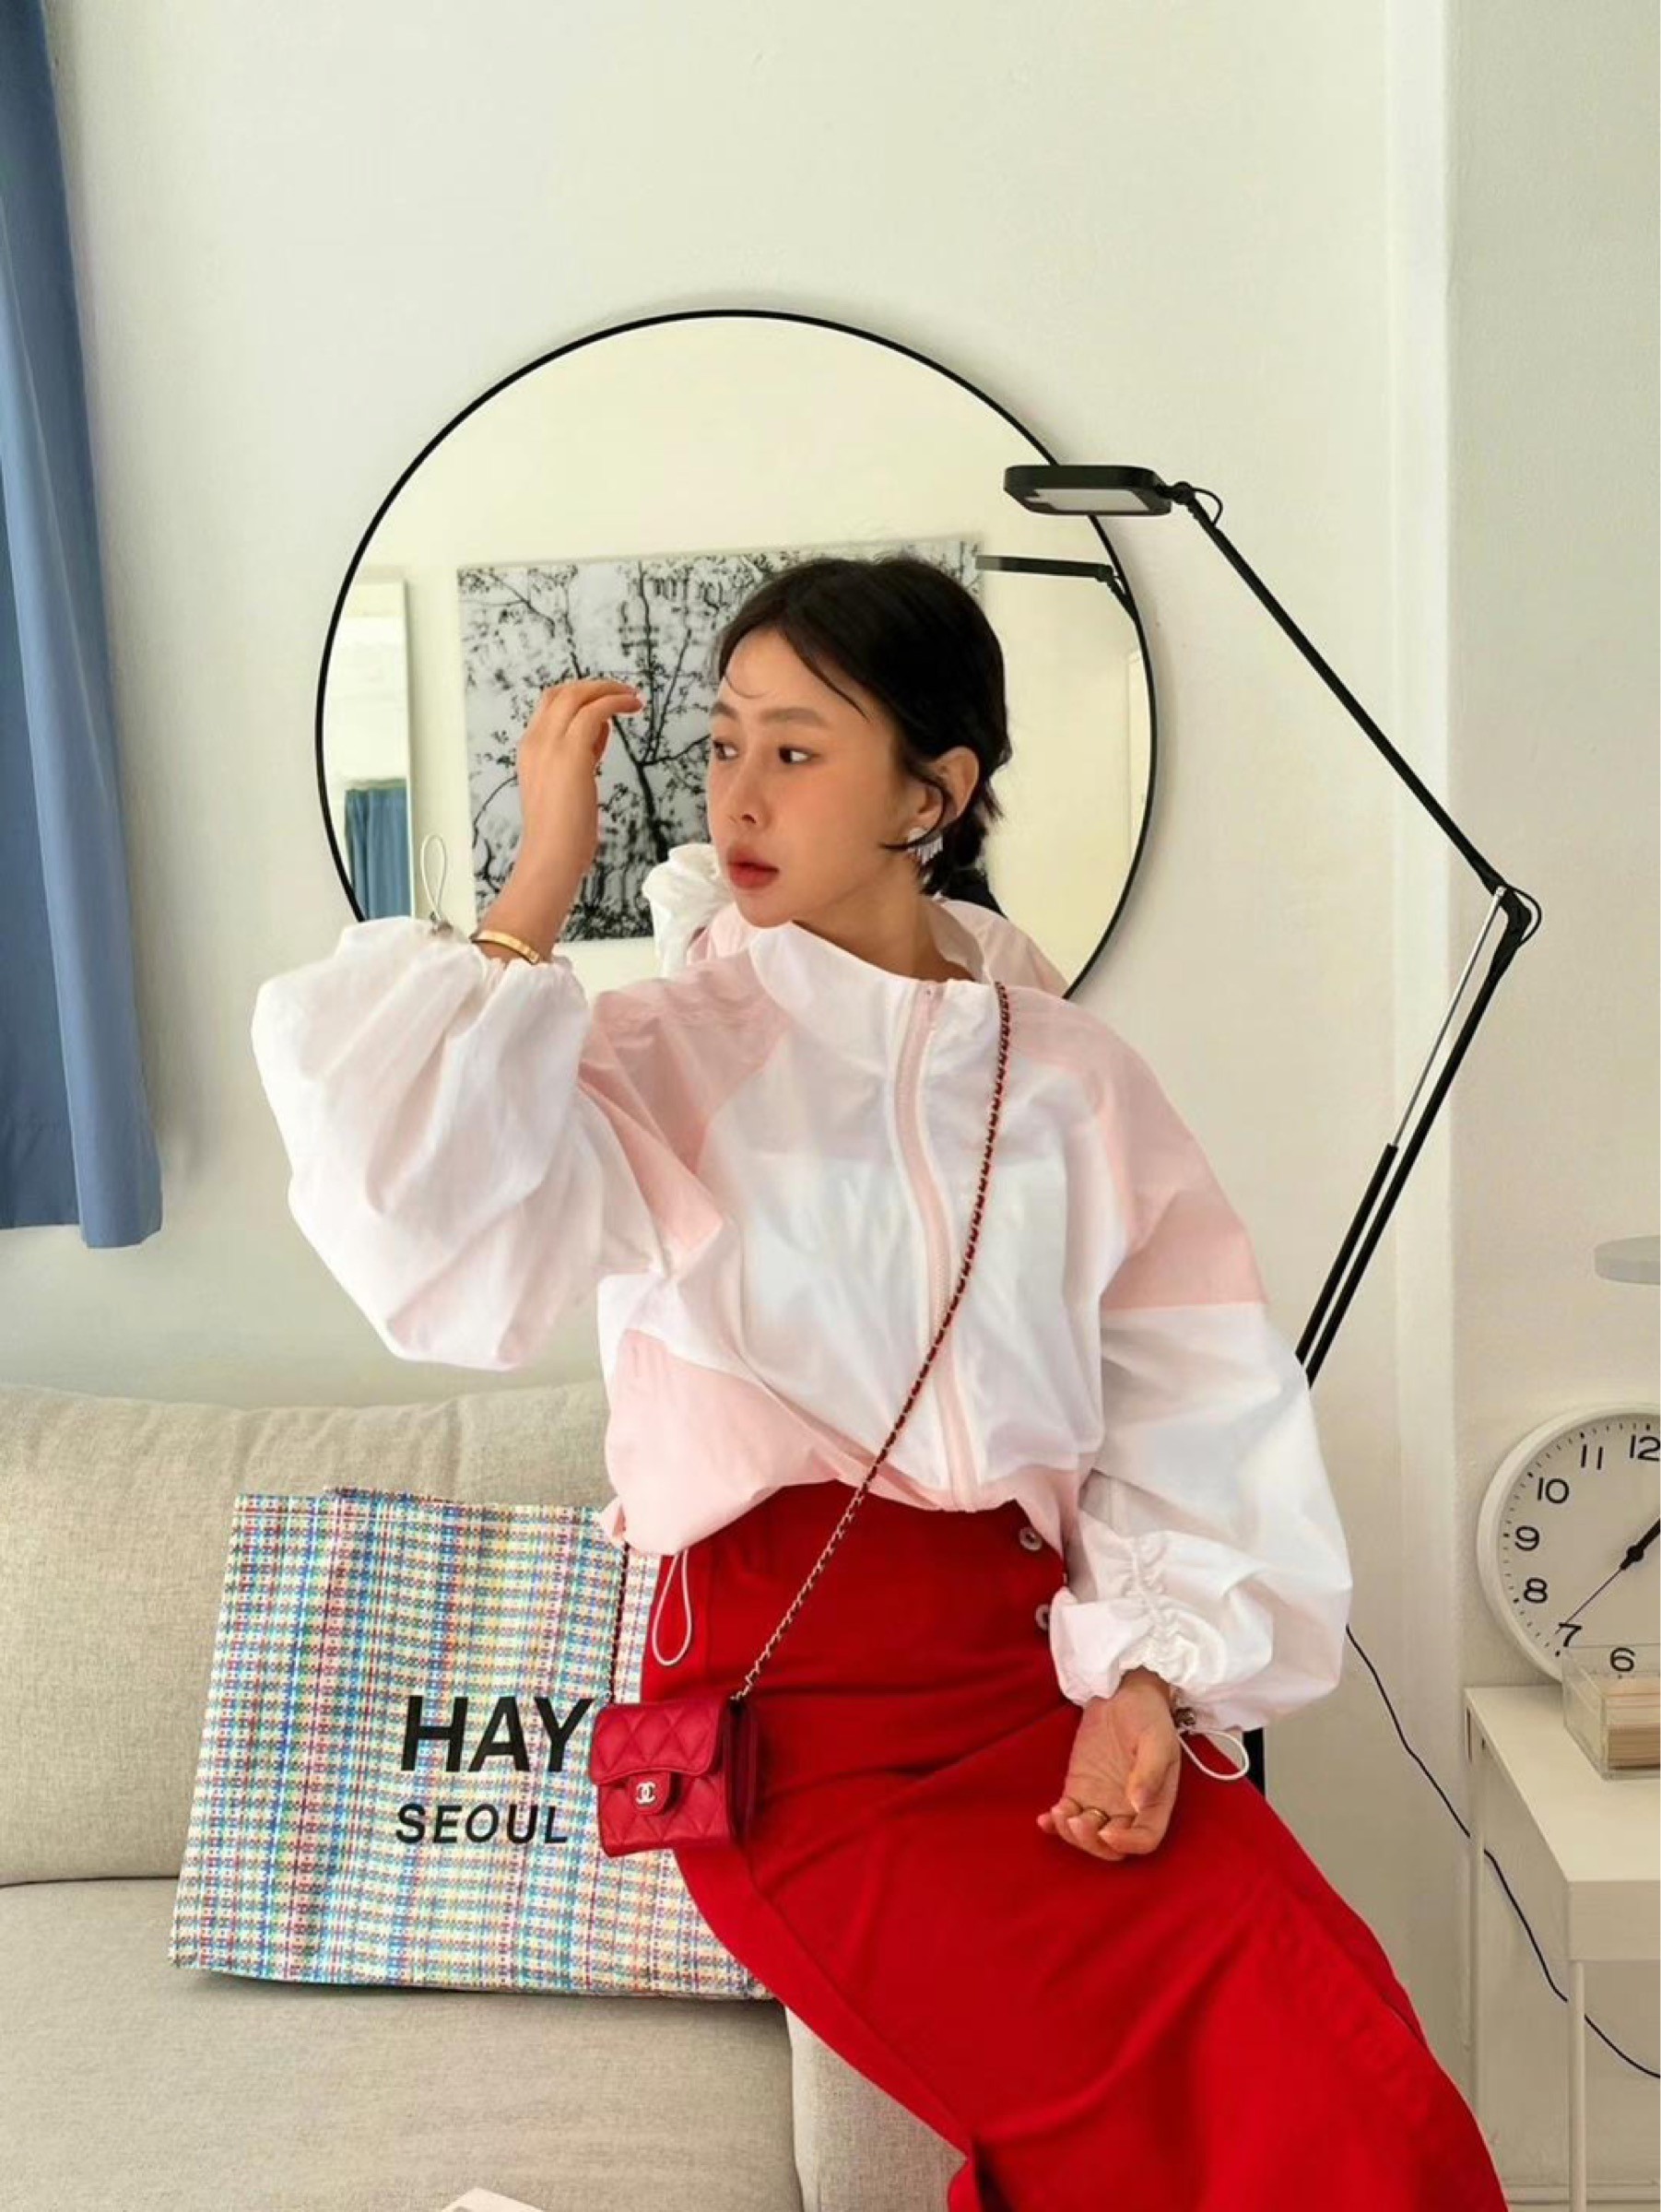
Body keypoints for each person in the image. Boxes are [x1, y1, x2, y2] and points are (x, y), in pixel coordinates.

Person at [251, 555, 1508, 2208]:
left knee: (1350, 2082)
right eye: (722, 746)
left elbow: (1184, 1403)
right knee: (1141, 2127)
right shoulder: (658, 1057)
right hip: (799, 1729)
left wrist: (1145, 1685)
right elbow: (410, 1225)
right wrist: (545, 871)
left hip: (1037, 1682)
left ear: (933, 792)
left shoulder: (1066, 1080)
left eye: (795, 749)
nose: (739, 795)